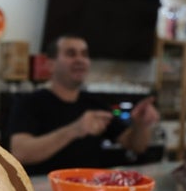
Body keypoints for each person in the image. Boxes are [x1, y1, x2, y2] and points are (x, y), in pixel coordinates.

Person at [8, 34, 159, 176]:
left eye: (84, 54)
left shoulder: (95, 103)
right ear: (50, 64)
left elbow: (136, 145)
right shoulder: (29, 102)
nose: (80, 59)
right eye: (71, 54)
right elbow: (20, 152)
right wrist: (75, 129)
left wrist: (140, 124)